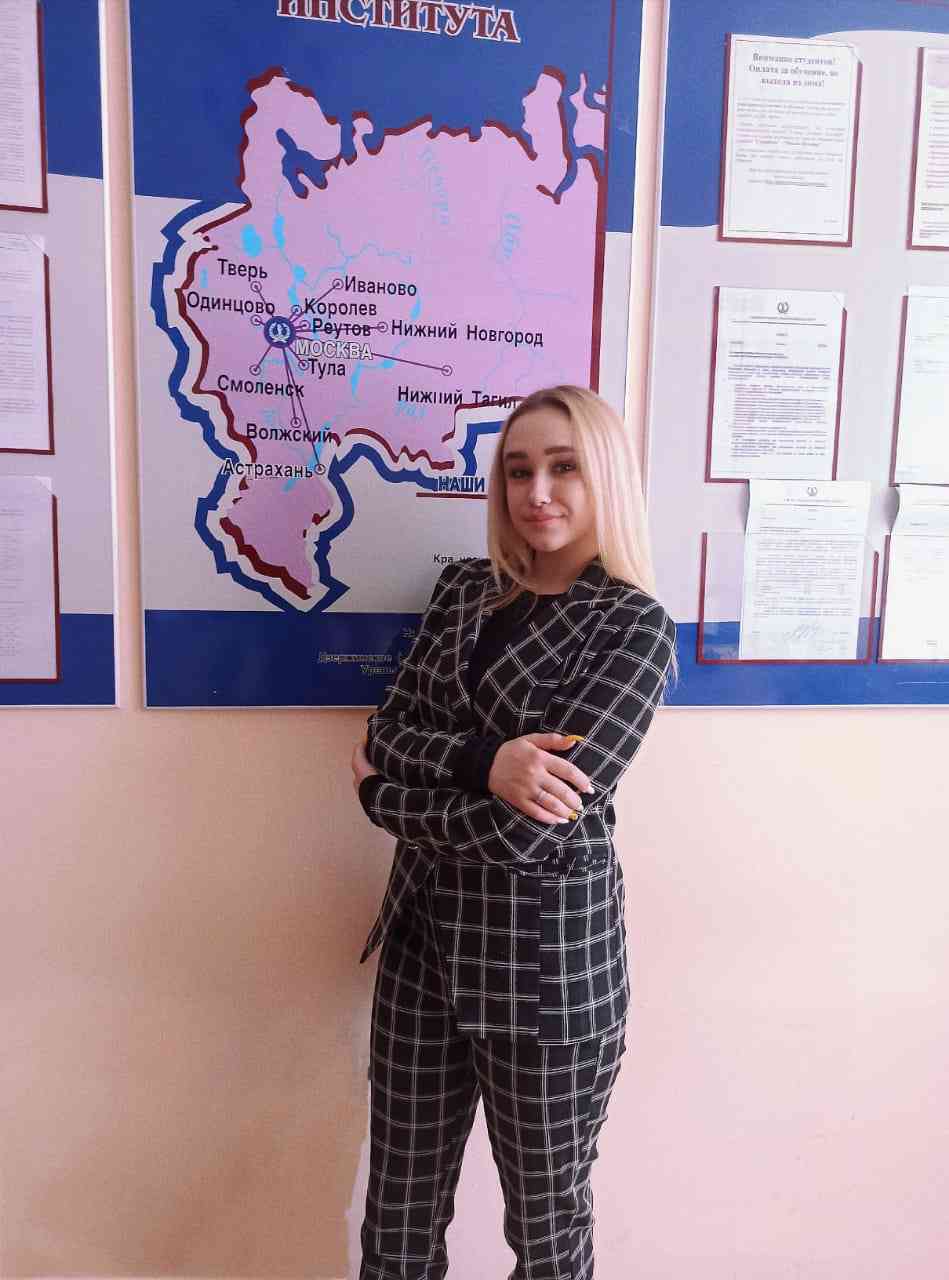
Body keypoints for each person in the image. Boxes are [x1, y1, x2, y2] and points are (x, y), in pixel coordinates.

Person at [350, 384, 676, 1280]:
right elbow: (387, 732)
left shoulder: (633, 627)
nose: (537, 493)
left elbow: (528, 833)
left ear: (605, 477)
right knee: (396, 1217)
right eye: (518, 470)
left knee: (545, 1231)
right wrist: (486, 762)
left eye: (564, 468)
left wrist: (380, 801)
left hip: (545, 972)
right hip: (422, 944)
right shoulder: (463, 591)